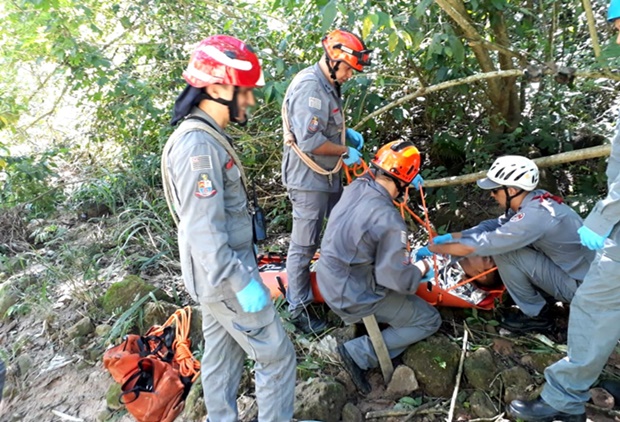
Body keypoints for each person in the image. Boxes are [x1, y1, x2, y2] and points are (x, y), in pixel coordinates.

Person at [161, 35, 296, 422]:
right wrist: (243, 282)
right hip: (225, 278)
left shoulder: (206, 136)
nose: (250, 100)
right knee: (277, 357)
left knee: (222, 356)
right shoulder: (197, 147)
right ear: (219, 87)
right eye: (245, 91)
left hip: (216, 278)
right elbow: (203, 231)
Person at [507, 3, 620, 420]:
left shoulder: (537, 212)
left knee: (593, 308)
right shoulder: (538, 206)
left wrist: (604, 218)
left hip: (612, 240)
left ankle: (563, 401)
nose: (619, 38)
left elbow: (498, 239)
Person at [316, 140, 440, 394]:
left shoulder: (355, 187)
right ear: (404, 183)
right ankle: (358, 354)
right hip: (352, 294)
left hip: (328, 276)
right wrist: (423, 264)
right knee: (429, 319)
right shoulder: (389, 218)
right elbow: (398, 282)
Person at [417, 155, 595, 332]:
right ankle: (541, 297)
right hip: (581, 275)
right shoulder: (534, 202)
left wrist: (440, 249)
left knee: (505, 252)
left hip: (584, 288)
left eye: (495, 190)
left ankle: (537, 315)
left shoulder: (535, 217)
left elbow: (490, 243)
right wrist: (452, 237)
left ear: (510, 191)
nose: (492, 194)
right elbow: (493, 225)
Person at [280, 29, 377, 334]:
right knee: (304, 243)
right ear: (333, 60)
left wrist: (342, 136)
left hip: (328, 174)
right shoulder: (311, 88)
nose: (350, 75)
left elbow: (325, 127)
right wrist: (345, 149)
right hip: (309, 179)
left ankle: (336, 292)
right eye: (348, 68)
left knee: (338, 232)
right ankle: (299, 307)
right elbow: (309, 141)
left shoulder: (329, 84)